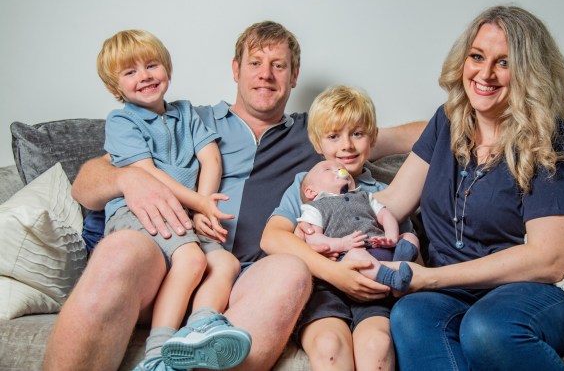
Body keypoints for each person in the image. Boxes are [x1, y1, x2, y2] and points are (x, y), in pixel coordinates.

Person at [43, 21, 424, 371]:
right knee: (120, 250)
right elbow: (86, 184)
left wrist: (471, 117)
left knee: (292, 271)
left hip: (252, 282)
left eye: (279, 65)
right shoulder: (191, 120)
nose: (265, 74)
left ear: (294, 77)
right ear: (235, 69)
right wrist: (127, 179)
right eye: (255, 62)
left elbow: (409, 137)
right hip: (175, 263)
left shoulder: (319, 134)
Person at [372, 5, 564, 371]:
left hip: (529, 291)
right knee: (411, 315)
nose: (485, 73)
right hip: (450, 292)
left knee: (486, 328)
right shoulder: (448, 121)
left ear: (529, 73)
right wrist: (309, 212)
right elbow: (391, 202)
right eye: (477, 57)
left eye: (504, 63)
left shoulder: (551, 138)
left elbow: (551, 259)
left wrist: (432, 278)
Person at [96, 30, 251, 371]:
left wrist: (205, 204)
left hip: (183, 211)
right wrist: (199, 203)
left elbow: (210, 158)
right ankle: (156, 355)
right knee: (193, 260)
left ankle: (200, 327)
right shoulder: (122, 120)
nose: (145, 76)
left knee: (227, 263)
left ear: (166, 68)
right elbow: (149, 175)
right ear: (115, 87)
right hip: (140, 210)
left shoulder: (185, 112)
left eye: (151, 65)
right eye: (130, 72)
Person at [261, 85, 420, 371]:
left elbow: (408, 252)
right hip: (322, 289)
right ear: (317, 143)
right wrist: (335, 272)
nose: (346, 146)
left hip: (375, 288)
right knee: (329, 348)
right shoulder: (305, 184)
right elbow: (272, 237)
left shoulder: (386, 192)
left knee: (377, 347)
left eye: (357, 134)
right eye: (334, 136)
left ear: (372, 138)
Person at [298, 159, 413, 292]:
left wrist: (391, 237)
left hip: (380, 246)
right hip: (351, 257)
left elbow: (385, 215)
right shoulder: (314, 208)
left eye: (341, 168)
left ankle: (399, 262)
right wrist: (341, 243)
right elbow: (313, 238)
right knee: (356, 253)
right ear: (311, 191)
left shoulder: (364, 196)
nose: (339, 170)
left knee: (409, 236)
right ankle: (392, 278)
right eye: (328, 169)